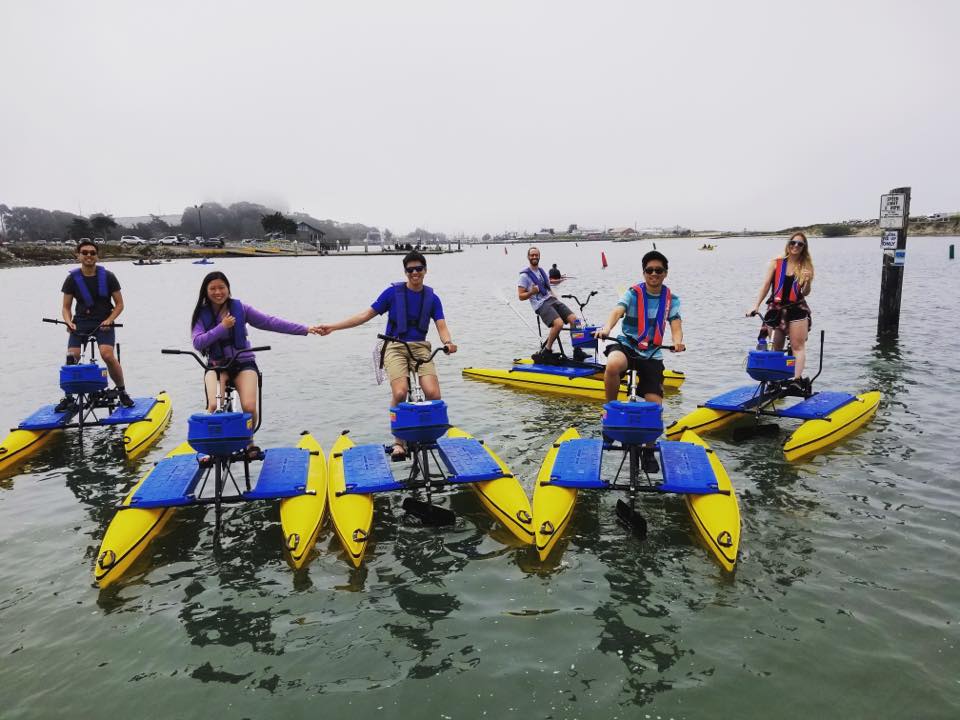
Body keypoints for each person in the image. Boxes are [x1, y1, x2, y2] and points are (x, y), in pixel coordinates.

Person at [318, 250, 458, 459]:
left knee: (433, 394)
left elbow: (441, 325)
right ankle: (398, 442)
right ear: (405, 272)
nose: (415, 273)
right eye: (410, 270)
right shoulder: (392, 294)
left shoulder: (433, 298)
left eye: (418, 269)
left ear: (425, 270)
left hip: (420, 347)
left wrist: (448, 343)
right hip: (394, 345)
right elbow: (365, 315)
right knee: (400, 393)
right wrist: (333, 327)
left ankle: (430, 434)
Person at [190, 272, 321, 431]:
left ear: (228, 289)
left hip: (244, 363)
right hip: (216, 366)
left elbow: (270, 322)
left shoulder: (241, 309)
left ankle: (249, 441)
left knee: (249, 407)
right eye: (212, 289)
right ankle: (210, 448)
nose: (218, 292)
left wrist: (305, 329)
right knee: (213, 405)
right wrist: (222, 327)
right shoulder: (201, 315)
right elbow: (197, 343)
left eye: (221, 288)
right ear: (206, 291)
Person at [594, 250, 685, 473]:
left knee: (655, 405)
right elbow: (618, 310)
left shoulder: (671, 299)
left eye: (659, 270)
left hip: (652, 353)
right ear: (644, 272)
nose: (654, 274)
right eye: (649, 270)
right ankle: (610, 416)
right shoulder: (633, 293)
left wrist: (677, 342)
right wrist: (606, 328)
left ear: (665, 273)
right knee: (613, 364)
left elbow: (675, 324)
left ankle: (648, 450)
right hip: (627, 345)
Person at [57, 240, 133, 411]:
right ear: (78, 256)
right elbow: (66, 307)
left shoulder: (109, 277)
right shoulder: (71, 279)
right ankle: (68, 397)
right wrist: (69, 322)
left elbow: (120, 304)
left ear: (97, 256)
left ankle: (122, 391)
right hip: (81, 323)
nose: (89, 255)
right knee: (72, 356)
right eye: (85, 252)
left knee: (107, 354)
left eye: (92, 253)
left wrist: (110, 319)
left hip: (104, 322)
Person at [746, 232, 814, 390]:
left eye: (800, 244)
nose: (795, 246)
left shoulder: (805, 267)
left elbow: (805, 292)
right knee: (775, 346)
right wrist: (755, 305)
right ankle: (774, 381)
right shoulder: (776, 263)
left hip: (796, 308)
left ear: (804, 248)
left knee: (798, 346)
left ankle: (796, 380)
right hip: (776, 308)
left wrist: (808, 281)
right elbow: (765, 286)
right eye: (793, 242)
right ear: (788, 244)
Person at [518, 247, 579, 362]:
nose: (534, 257)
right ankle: (547, 350)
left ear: (539, 256)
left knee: (575, 320)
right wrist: (531, 292)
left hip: (551, 299)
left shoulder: (541, 271)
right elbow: (520, 296)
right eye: (532, 255)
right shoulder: (524, 276)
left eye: (536, 255)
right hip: (540, 305)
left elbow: (548, 288)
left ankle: (577, 350)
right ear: (528, 257)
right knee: (559, 324)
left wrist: (556, 297)